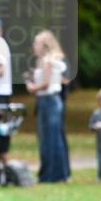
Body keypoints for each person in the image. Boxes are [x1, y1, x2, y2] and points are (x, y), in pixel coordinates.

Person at [25, 30, 70, 183]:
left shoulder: (48, 61)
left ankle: (50, 175)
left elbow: (45, 84)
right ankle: (57, 174)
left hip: (49, 101)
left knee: (49, 139)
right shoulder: (46, 61)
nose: (34, 46)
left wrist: (32, 87)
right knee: (52, 138)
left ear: (44, 46)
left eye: (36, 43)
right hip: (49, 101)